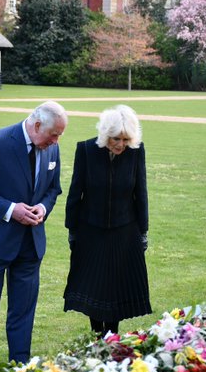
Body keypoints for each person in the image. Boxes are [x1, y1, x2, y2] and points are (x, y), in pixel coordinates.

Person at [0, 101, 67, 366]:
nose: (56, 141)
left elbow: (53, 190)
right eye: (53, 134)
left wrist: (43, 208)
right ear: (36, 126)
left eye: (59, 136)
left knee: (23, 311)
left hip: (30, 245)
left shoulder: (52, 149)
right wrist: (11, 210)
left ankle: (20, 367)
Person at [63, 105, 151, 336]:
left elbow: (140, 193)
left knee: (116, 287)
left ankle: (111, 337)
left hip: (125, 230)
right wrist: (72, 229)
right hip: (91, 230)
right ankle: (96, 335)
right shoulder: (85, 150)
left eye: (125, 139)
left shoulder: (136, 152)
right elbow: (75, 192)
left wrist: (143, 232)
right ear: (105, 135)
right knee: (95, 286)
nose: (120, 144)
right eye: (115, 138)